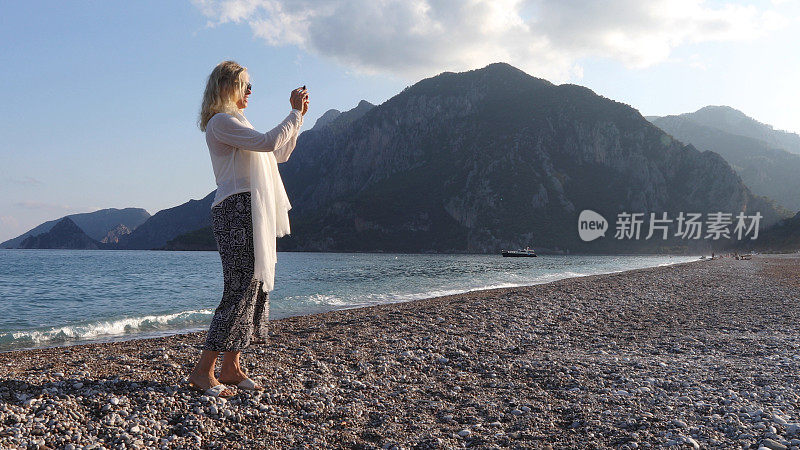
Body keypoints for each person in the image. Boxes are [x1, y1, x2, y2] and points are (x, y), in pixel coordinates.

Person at [189, 60, 309, 397]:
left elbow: (278, 153)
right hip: (236, 209)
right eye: (246, 85)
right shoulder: (221, 122)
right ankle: (203, 370)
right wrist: (294, 115)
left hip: (250, 209)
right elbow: (270, 142)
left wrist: (297, 120)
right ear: (228, 87)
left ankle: (230, 366)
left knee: (254, 287)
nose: (250, 92)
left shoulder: (238, 123)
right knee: (240, 288)